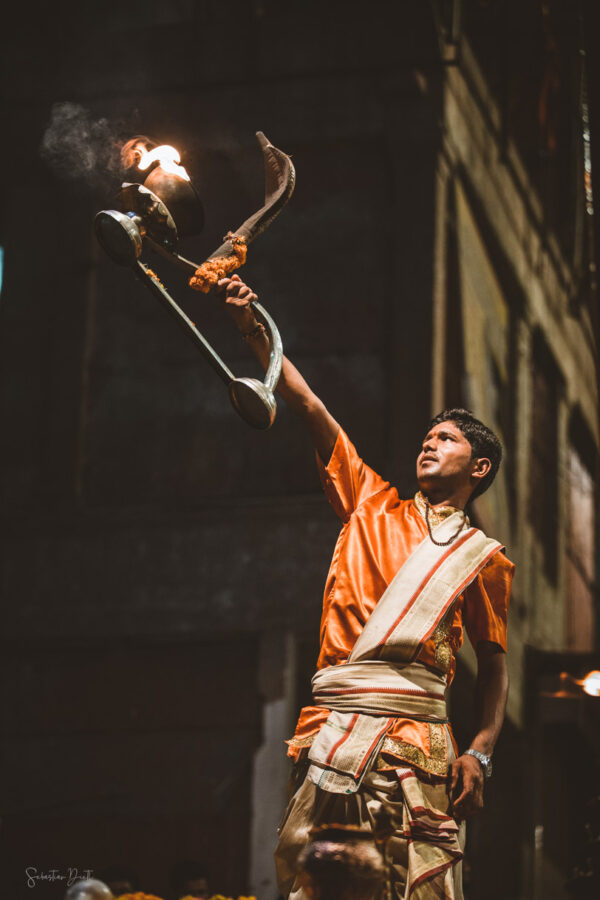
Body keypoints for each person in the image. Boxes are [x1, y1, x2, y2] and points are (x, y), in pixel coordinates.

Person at [220, 275, 514, 900]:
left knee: (412, 887)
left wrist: (482, 751)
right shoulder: (370, 503)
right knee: (323, 882)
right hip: (336, 734)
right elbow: (311, 407)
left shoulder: (483, 559)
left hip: (419, 744)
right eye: (427, 438)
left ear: (478, 467)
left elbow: (494, 663)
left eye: (447, 439)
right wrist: (253, 326)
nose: (429, 445)